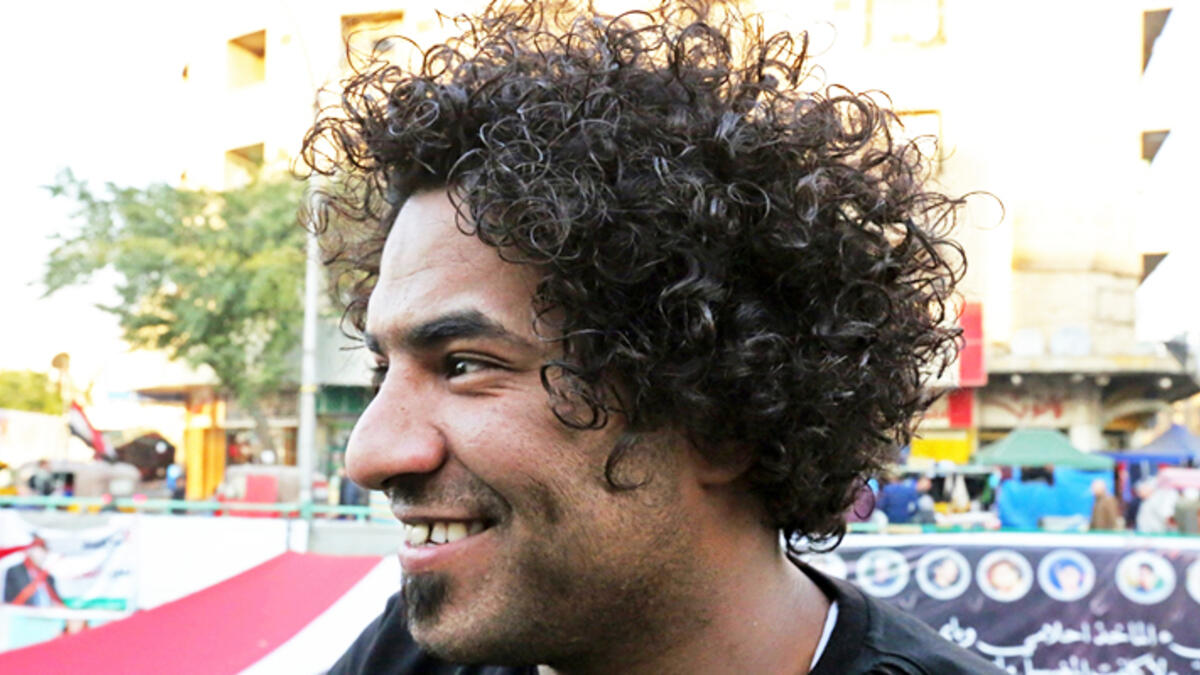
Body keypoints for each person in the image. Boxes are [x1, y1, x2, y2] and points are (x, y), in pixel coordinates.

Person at [304, 1, 997, 672]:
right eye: (381, 370)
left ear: (718, 414)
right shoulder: (405, 653)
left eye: (463, 364)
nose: (368, 453)